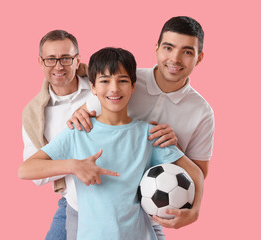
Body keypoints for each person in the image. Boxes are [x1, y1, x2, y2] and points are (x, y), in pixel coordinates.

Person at [19, 47, 204, 240]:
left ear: (133, 86)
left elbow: (195, 172)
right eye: (105, 81)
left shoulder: (148, 135)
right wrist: (74, 166)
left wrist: (194, 211)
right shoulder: (78, 132)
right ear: (93, 87)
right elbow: (25, 169)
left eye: (122, 81)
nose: (114, 88)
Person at [68, 16, 214, 230]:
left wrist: (174, 149)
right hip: (89, 207)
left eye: (187, 52)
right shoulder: (125, 80)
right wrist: (77, 117)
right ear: (156, 48)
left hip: (147, 214)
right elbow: (82, 118)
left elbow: (198, 172)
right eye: (168, 47)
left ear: (199, 58)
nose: (175, 58)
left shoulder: (202, 112)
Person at [22, 30, 94, 240]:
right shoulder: (35, 113)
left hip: (117, 196)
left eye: (66, 58)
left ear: (77, 59)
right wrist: (74, 164)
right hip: (72, 202)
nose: (59, 66)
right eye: (51, 59)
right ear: (41, 62)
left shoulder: (102, 89)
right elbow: (33, 172)